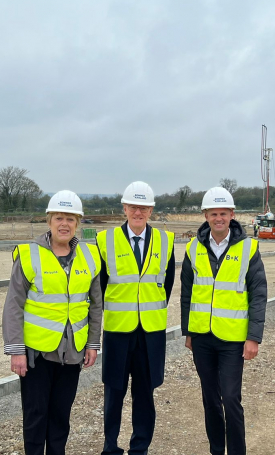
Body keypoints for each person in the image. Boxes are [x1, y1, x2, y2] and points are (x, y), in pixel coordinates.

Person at [1, 190, 103, 455]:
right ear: (49, 221)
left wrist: (92, 344)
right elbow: (14, 305)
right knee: (36, 415)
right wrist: (16, 350)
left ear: (77, 223)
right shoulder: (28, 255)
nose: (64, 224)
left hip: (72, 352)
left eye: (70, 218)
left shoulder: (90, 257)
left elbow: (95, 305)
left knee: (60, 415)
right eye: (59, 217)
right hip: (37, 353)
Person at [180, 186, 268, 455]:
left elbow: (259, 294)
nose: (218, 218)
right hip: (203, 338)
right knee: (210, 400)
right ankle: (217, 450)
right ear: (206, 215)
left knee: (230, 398)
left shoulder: (248, 248)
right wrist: (188, 332)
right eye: (213, 213)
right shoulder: (193, 248)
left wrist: (253, 337)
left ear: (232, 214)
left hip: (232, 339)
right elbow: (187, 293)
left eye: (223, 213)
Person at [97, 181, 175, 455]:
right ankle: (110, 446)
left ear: (151, 210)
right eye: (133, 207)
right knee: (113, 393)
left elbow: (166, 285)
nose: (138, 212)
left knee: (144, 394)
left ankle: (139, 447)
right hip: (119, 332)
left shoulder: (166, 241)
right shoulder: (104, 240)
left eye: (143, 207)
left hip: (150, 333)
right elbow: (101, 287)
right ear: (125, 208)